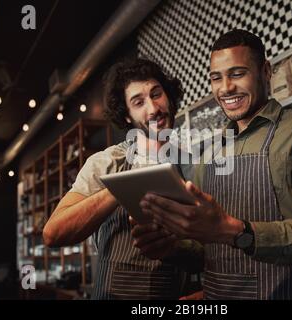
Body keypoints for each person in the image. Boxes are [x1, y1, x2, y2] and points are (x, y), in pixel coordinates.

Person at [133, 29, 292, 300]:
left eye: (237, 73)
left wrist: (237, 231)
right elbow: (209, 251)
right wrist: (171, 249)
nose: (225, 87)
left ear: (265, 71)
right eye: (216, 78)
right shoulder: (210, 152)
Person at [43, 58, 202, 300]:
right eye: (138, 102)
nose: (153, 108)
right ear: (126, 116)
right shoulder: (107, 162)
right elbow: (54, 233)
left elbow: (211, 253)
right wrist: (122, 186)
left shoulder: (194, 168)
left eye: (157, 94)